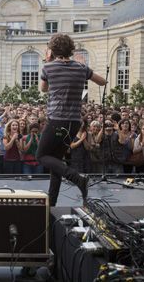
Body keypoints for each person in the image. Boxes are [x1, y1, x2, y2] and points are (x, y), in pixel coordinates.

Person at [36, 33, 106, 206]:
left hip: (57, 120)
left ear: (52, 50)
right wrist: (82, 69)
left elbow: (43, 89)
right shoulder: (81, 68)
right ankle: (52, 202)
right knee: (56, 161)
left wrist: (48, 62)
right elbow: (103, 82)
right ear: (70, 49)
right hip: (74, 122)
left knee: (42, 156)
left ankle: (78, 178)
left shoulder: (48, 68)